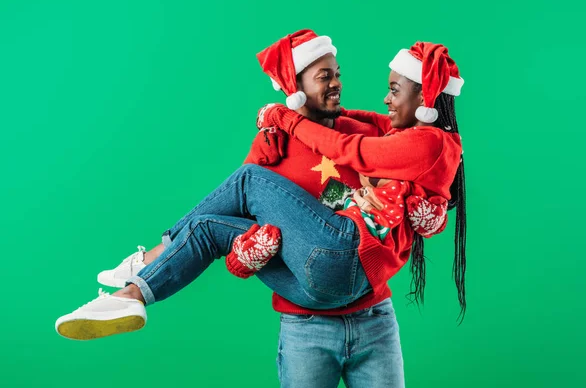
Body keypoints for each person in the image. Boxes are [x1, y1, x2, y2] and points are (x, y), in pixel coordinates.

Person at [55, 31, 466, 388]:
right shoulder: (269, 149)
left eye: (338, 73)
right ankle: (136, 292)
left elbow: (389, 144)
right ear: (298, 87)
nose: (338, 83)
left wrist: (431, 212)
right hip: (307, 311)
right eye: (326, 76)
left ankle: (149, 263)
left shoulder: (371, 132)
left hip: (370, 309)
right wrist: (246, 256)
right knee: (211, 227)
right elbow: (247, 241)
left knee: (243, 185)